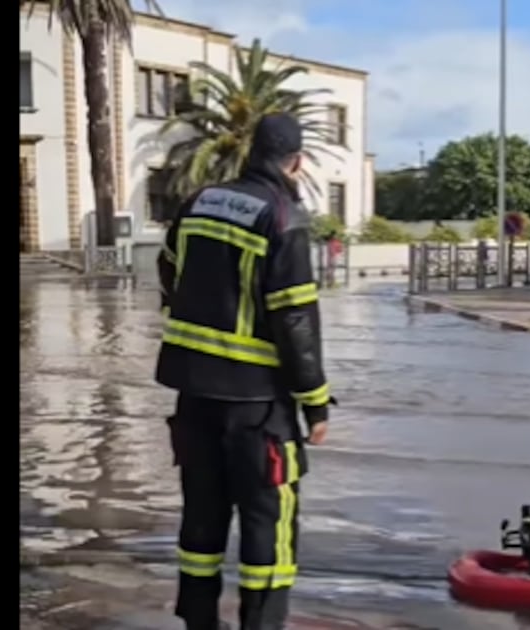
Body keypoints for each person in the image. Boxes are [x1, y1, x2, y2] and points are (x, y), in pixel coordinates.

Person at [155, 112, 334, 630]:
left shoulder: (199, 202)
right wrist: (315, 402)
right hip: (258, 409)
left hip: (194, 397)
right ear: (296, 162)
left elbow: (167, 267)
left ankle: (198, 620)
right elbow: (294, 320)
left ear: (252, 153)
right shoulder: (283, 217)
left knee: (202, 516)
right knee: (268, 524)